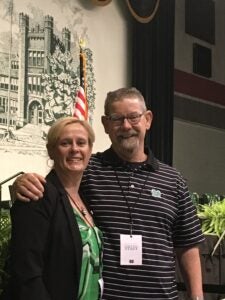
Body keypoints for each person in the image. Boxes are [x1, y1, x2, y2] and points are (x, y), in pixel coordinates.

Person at [13, 87, 204, 300]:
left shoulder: (173, 179)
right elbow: (53, 190)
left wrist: (196, 296)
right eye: (116, 118)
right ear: (105, 124)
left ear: (147, 120)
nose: (126, 126)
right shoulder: (88, 170)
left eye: (133, 117)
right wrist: (21, 183)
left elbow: (187, 244)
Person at [1, 117, 103, 300]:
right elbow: (26, 274)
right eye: (65, 143)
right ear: (51, 150)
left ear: (90, 150)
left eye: (81, 142)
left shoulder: (85, 197)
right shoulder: (37, 194)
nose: (75, 149)